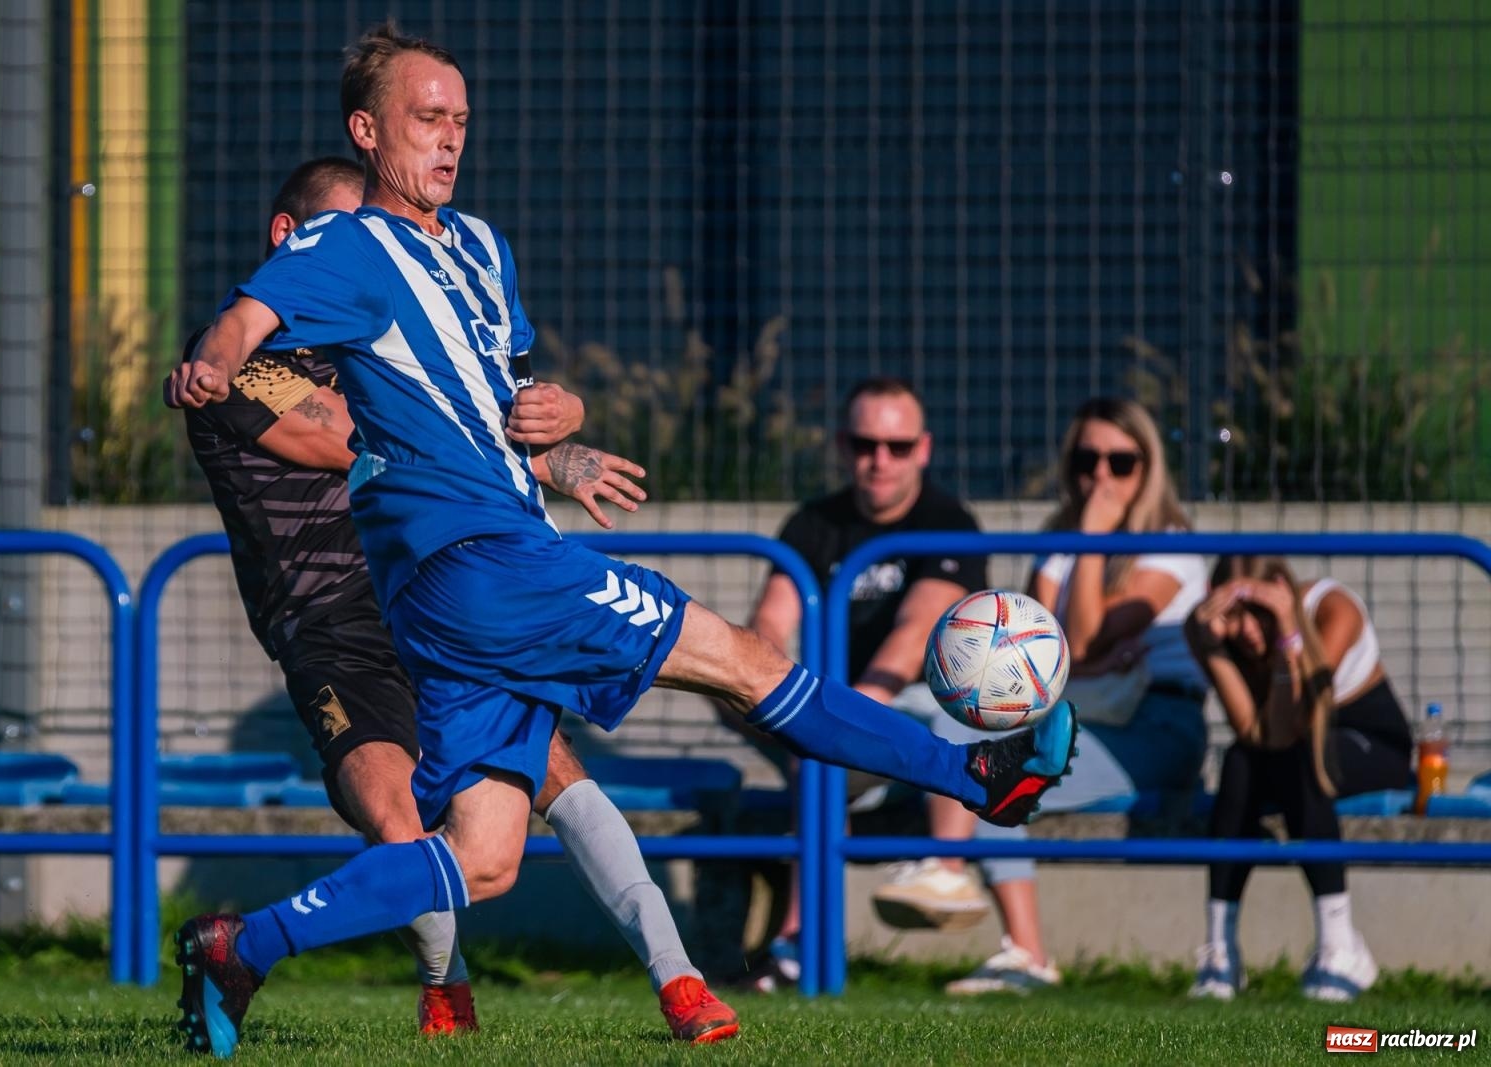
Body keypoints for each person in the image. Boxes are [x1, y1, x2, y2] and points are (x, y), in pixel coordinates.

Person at [167, 24, 1076, 1056]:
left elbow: (500, 398)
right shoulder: (344, 245)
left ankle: (246, 945)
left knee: (486, 852)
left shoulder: (475, 246)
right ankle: (982, 778)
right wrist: (210, 359)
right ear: (367, 131)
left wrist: (562, 423)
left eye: (460, 121)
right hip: (486, 564)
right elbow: (247, 320)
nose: (450, 140)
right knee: (745, 661)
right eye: (428, 120)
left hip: (453, 588)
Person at [175, 155, 739, 1043]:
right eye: (348, 235)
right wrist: (532, 456)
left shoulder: (395, 325)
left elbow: (484, 407)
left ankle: (682, 983)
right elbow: (365, 439)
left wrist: (564, 418)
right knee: (399, 817)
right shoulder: (241, 362)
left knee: (555, 770)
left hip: (437, 595)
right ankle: (446, 985)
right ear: (292, 241)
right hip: (331, 627)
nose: (375, 252)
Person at [903, 396, 1210, 996]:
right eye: (1087, 460)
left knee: (1002, 770)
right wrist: (1084, 633)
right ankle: (1016, 943)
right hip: (1076, 711)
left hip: (1155, 725)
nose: (1101, 476)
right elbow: (1042, 650)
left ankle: (970, 894)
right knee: (971, 744)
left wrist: (1092, 540)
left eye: (1121, 462)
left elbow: (1086, 636)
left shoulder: (1170, 541)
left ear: (1149, 469)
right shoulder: (1059, 540)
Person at [730, 377, 990, 990]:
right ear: (844, 446)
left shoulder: (948, 521)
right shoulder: (813, 522)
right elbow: (770, 619)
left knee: (967, 723)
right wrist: (771, 692)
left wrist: (838, 721)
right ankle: (799, 946)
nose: (880, 460)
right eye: (867, 444)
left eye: (897, 447)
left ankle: (945, 883)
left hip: (914, 710)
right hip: (836, 716)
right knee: (796, 742)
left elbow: (915, 629)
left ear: (923, 449)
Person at [1185, 556, 1413, 1002]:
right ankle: (1220, 951)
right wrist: (1211, 647)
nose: (1248, 631)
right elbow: (1253, 732)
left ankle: (1339, 944)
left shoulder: (1333, 609)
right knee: (1237, 762)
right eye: (1233, 615)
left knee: (1300, 759)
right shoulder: (1207, 630)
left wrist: (1290, 629)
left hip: (1370, 741)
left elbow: (1293, 728)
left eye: (1258, 613)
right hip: (1284, 741)